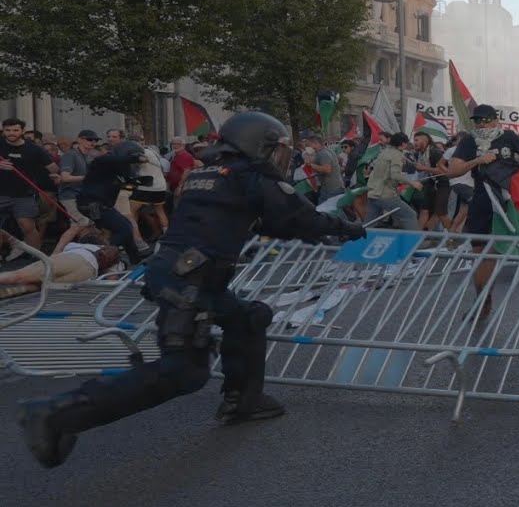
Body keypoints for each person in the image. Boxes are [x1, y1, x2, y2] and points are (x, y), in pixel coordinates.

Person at [15, 111, 367, 469]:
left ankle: (244, 399)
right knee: (183, 372)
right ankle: (57, 413)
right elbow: (296, 217)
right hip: (190, 281)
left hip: (187, 274)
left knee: (249, 317)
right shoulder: (249, 178)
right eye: (274, 149)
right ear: (257, 145)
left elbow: (271, 221)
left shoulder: (208, 173)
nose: (278, 157)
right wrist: (348, 228)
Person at [450, 105, 519, 313]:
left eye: (485, 120)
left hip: (508, 199)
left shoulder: (509, 137)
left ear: (495, 120)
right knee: (480, 252)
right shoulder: (469, 140)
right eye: (477, 121)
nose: (481, 124)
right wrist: (477, 160)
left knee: (500, 248)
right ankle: (483, 301)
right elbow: (452, 170)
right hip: (482, 199)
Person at [75, 141, 154, 264]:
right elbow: (114, 160)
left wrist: (138, 182)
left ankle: (135, 258)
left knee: (126, 226)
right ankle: (101, 256)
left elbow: (128, 183)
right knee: (124, 229)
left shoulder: (122, 169)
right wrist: (135, 158)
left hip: (102, 204)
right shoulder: (103, 161)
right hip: (91, 203)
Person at [0, 118, 59, 253]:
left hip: (23, 194)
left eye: (15, 130)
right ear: (3, 130)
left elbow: (53, 168)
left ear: (22, 131)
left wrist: (55, 175)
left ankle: (37, 258)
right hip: (1, 193)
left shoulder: (34, 149)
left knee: (28, 227)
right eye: (8, 130)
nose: (11, 133)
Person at [366, 132, 422, 230]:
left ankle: (360, 243)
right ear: (404, 144)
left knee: (369, 224)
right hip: (385, 194)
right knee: (410, 215)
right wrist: (412, 183)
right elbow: (395, 175)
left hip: (372, 192)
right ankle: (414, 242)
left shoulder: (384, 152)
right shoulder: (396, 155)